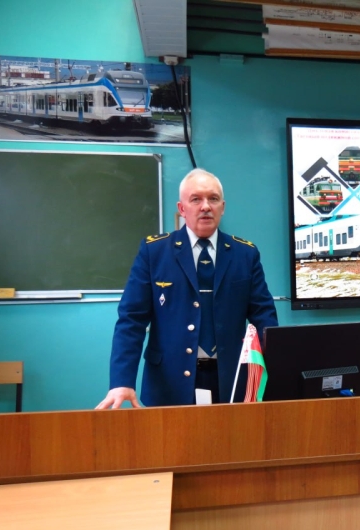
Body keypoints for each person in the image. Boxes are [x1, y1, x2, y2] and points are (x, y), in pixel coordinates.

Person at [96, 168, 278, 408]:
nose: (206, 206)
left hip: (232, 381)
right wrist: (122, 381)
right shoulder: (155, 252)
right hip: (168, 383)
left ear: (222, 207)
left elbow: (264, 319)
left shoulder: (245, 254)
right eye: (196, 199)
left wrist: (278, 376)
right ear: (182, 209)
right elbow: (132, 320)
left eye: (213, 199)